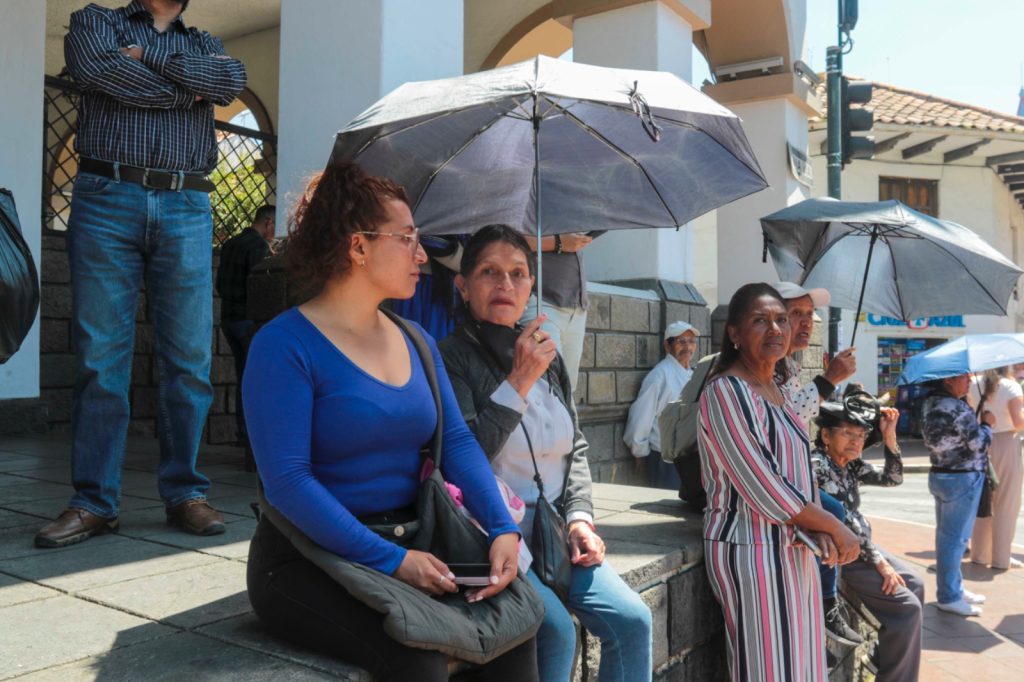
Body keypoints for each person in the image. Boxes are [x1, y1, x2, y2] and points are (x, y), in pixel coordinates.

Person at [241, 164, 537, 681]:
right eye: (407, 239)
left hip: (413, 536)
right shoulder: (284, 345)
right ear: (358, 247)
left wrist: (502, 529)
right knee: (416, 655)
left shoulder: (416, 340)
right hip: (304, 559)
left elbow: (459, 443)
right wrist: (392, 562)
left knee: (513, 630)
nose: (423, 255)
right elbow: (287, 483)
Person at [35, 0, 247, 548]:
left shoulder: (206, 43)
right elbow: (100, 71)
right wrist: (184, 91)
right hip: (107, 194)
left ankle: (185, 494)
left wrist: (147, 57)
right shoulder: (95, 22)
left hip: (187, 203)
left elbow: (229, 81)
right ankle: (94, 502)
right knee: (100, 358)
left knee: (191, 360)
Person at [440, 225, 652, 682]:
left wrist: (579, 517)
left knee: (633, 621)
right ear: (463, 285)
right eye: (489, 272)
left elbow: (574, 443)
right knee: (553, 628)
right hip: (493, 531)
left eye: (518, 273)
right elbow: (463, 457)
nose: (506, 284)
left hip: (555, 530)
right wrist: (518, 382)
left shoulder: (546, 354)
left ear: (531, 286)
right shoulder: (450, 357)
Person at [698, 282, 860, 681]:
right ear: (734, 334)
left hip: (789, 548)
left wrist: (817, 528)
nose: (776, 329)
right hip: (751, 550)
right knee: (770, 670)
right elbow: (765, 487)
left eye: (780, 320)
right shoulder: (726, 392)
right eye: (760, 321)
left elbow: (796, 475)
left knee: (801, 667)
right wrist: (834, 525)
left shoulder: (776, 389)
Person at [812, 394, 924, 682]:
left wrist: (889, 438)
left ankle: (882, 659)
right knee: (908, 608)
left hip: (862, 548)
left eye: (861, 435)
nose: (856, 442)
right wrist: (881, 564)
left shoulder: (849, 465)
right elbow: (846, 523)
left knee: (917, 584)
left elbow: (892, 478)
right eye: (848, 433)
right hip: (844, 554)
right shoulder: (818, 465)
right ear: (825, 434)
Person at [921, 373, 994, 616]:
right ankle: (949, 595)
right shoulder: (957, 407)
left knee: (947, 538)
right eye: (964, 378)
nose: (968, 382)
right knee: (955, 541)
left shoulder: (929, 404)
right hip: (962, 477)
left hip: (940, 475)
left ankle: (954, 588)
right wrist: (987, 425)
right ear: (948, 381)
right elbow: (978, 444)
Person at [216, 204, 275, 447]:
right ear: (268, 223)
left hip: (228, 319)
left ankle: (243, 433)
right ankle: (251, 437)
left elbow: (219, 283)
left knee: (243, 377)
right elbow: (260, 287)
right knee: (255, 380)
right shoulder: (259, 247)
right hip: (248, 321)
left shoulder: (230, 244)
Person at [623, 321, 697, 489]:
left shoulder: (693, 374)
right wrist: (640, 453)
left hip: (688, 458)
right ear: (667, 345)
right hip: (664, 459)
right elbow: (641, 416)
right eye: (681, 341)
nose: (687, 347)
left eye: (691, 341)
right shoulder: (659, 376)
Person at [773, 282, 857, 426]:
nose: (807, 322)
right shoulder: (764, 366)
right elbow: (788, 419)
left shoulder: (788, 364)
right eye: (796, 313)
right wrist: (830, 378)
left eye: (810, 314)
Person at [520, 231, 596, 390]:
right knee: (548, 387)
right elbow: (506, 240)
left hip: (576, 306)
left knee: (567, 391)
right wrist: (558, 242)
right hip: (541, 301)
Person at [969, 366, 1024, 570]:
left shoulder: (973, 384)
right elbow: (1018, 422)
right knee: (1006, 503)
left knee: (982, 501)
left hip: (980, 441)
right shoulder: (1011, 387)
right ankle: (1001, 558)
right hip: (1005, 442)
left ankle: (980, 555)